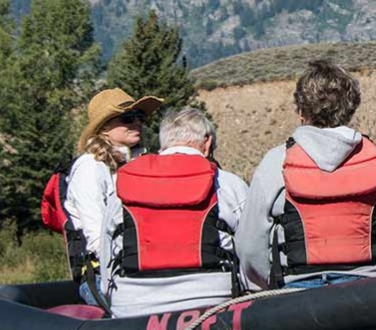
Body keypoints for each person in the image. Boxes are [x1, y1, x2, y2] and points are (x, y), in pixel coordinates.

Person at [236, 60, 376, 288]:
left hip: (296, 297)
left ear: (302, 110)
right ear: (350, 108)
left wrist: (266, 286)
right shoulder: (370, 159)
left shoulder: (276, 163)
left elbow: (249, 247)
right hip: (371, 292)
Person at [110, 106, 251, 315]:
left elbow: (107, 253)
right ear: (208, 143)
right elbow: (251, 248)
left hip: (131, 308)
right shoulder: (229, 184)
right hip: (212, 303)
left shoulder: (121, 185)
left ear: (163, 143)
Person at [64, 87, 163, 311]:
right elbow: (98, 238)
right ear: (104, 128)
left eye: (140, 117)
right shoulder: (90, 168)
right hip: (105, 277)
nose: (137, 123)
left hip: (143, 272)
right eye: (128, 118)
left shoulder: (141, 165)